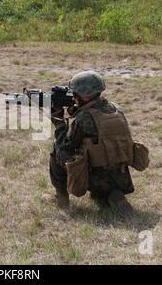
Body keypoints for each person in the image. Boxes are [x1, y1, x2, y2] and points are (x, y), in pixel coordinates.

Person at [49, 71, 135, 216]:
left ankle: (61, 197)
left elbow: (65, 148)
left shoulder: (84, 118)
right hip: (121, 177)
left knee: (56, 150)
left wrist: (58, 121)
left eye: (75, 94)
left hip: (96, 178)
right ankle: (112, 195)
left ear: (85, 96)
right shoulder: (116, 110)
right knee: (102, 188)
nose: (73, 97)